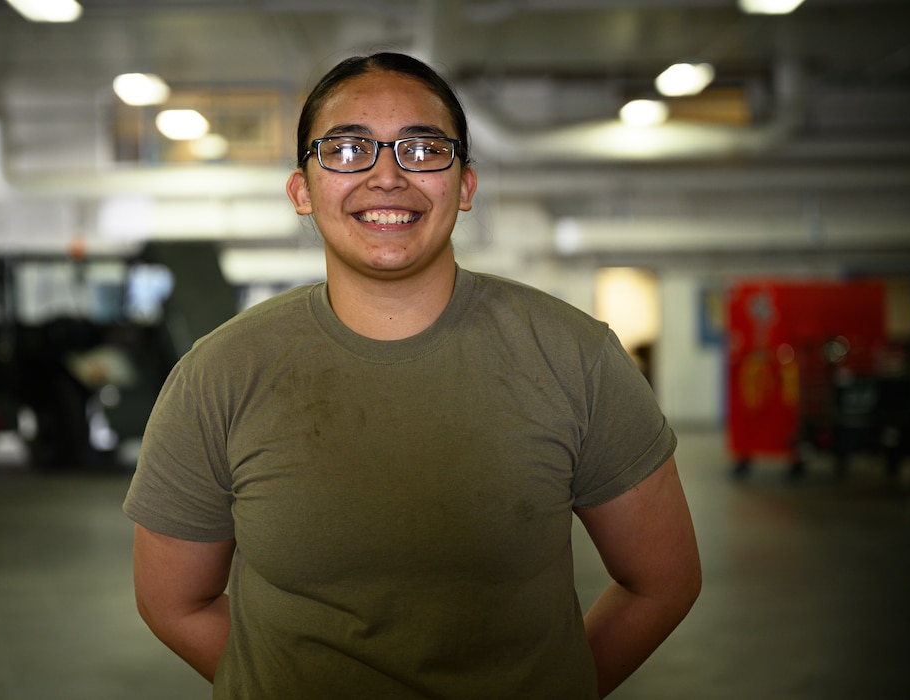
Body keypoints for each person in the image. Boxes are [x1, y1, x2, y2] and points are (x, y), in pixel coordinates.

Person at [124, 52, 701, 699]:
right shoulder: (218, 374)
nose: (387, 176)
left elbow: (663, 580)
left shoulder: (574, 355)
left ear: (465, 185)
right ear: (302, 190)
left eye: (422, 149)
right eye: (347, 150)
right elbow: (175, 602)